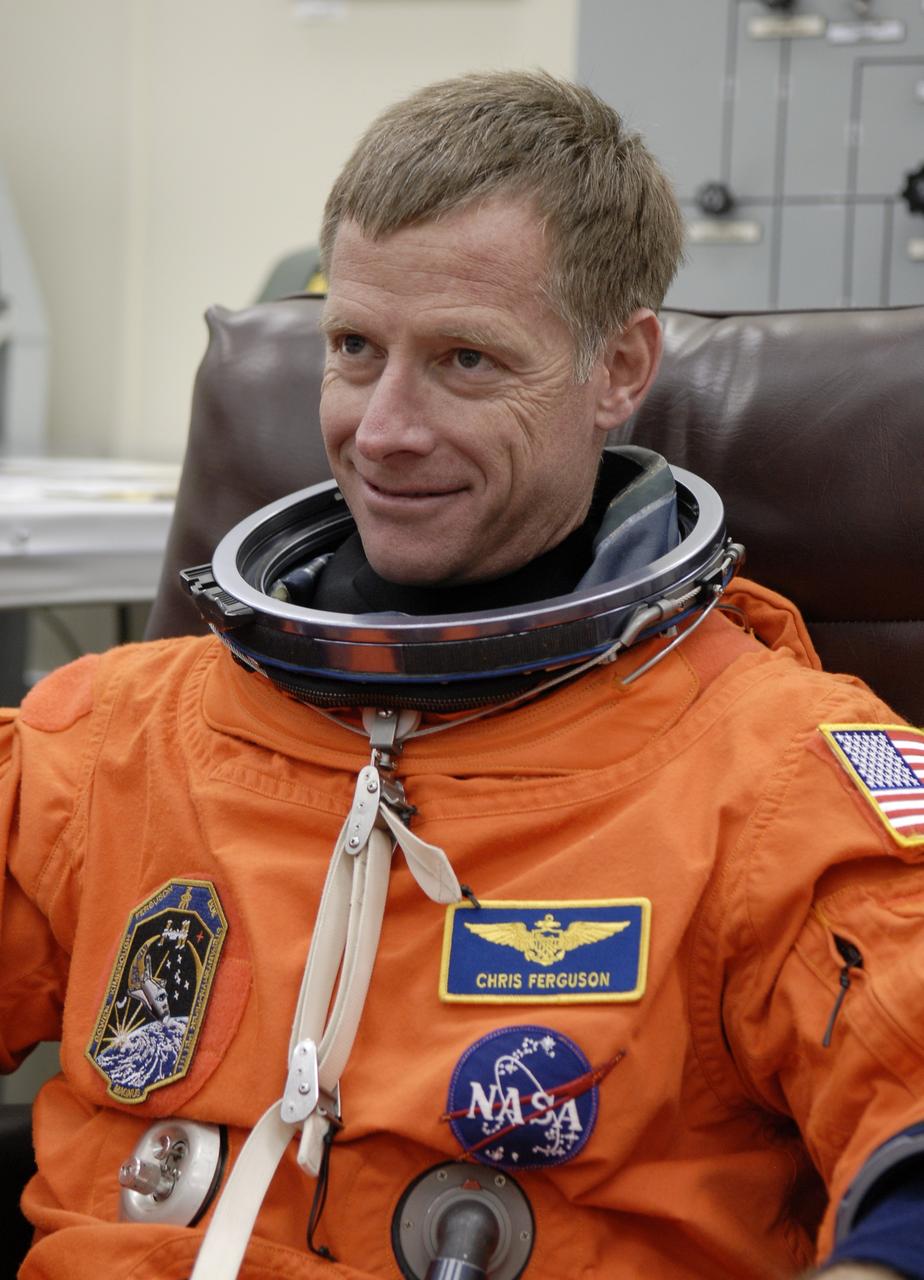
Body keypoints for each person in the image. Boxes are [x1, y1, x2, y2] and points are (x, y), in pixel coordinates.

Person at [2, 70, 923, 1280]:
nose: (383, 429)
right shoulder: (113, 738)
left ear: (619, 366)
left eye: (466, 359)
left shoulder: (775, 782)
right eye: (354, 347)